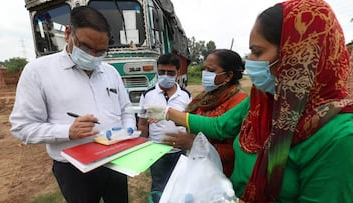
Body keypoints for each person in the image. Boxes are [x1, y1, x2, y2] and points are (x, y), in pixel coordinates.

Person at [143, 0, 353, 202]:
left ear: (298, 55)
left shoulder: (339, 138)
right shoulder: (262, 101)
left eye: (257, 52)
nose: (249, 61)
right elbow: (219, 126)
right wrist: (167, 113)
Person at [9, 6, 136, 203]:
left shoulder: (110, 72)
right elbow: (22, 128)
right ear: (68, 34)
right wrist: (67, 131)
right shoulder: (37, 71)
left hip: (115, 161)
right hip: (74, 170)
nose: (93, 56)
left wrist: (129, 130)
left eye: (100, 51)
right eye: (86, 48)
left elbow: (126, 109)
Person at [173, 49, 247, 177]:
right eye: (205, 69)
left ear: (228, 76)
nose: (205, 74)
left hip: (222, 174)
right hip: (200, 168)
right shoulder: (204, 97)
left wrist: (195, 145)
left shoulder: (239, 102)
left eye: (211, 71)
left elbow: (238, 148)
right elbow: (188, 118)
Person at [137, 53, 191, 203]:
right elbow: (142, 123)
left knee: (179, 185)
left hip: (179, 151)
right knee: (158, 187)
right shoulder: (148, 95)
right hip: (156, 151)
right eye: (161, 72)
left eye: (170, 73)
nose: (165, 76)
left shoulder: (186, 96)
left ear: (178, 73)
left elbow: (190, 123)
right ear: (157, 71)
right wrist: (142, 146)